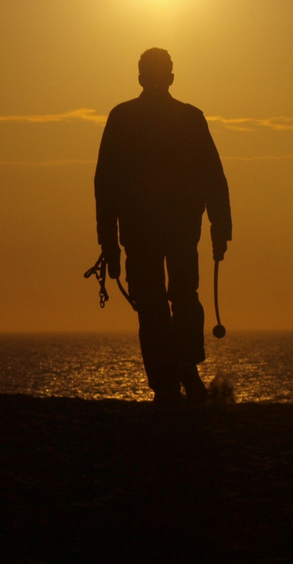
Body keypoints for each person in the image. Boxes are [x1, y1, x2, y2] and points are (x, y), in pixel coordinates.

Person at [94, 48, 231, 405]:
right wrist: (220, 226)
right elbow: (214, 177)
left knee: (156, 305)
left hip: (148, 231)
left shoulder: (124, 118)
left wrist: (109, 244)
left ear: (141, 77)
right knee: (177, 299)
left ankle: (170, 381)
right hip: (175, 229)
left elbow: (105, 186)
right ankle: (181, 371)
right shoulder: (188, 118)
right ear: (171, 77)